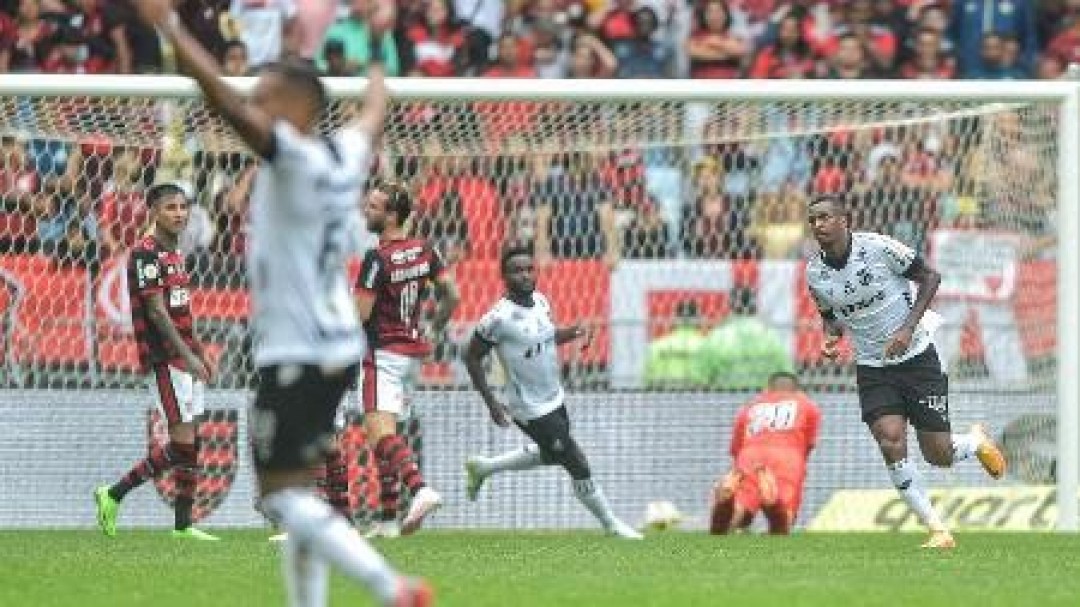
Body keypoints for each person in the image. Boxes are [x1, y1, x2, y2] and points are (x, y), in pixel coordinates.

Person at [134, 1, 432, 605]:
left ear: (299, 107)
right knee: (301, 490)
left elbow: (219, 98)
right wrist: (379, 46)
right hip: (338, 347)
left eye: (267, 94)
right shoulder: (348, 154)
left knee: (282, 498)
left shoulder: (291, 157)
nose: (257, 102)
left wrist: (168, 28)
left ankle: (389, 586)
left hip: (294, 350)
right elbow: (375, 109)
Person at [804, 195, 1006, 549]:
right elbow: (831, 318)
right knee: (890, 438)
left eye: (824, 217)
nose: (818, 225)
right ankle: (937, 529)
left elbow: (931, 277)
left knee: (938, 455)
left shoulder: (880, 249)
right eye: (813, 220)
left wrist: (907, 328)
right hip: (872, 366)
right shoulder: (815, 274)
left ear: (843, 220)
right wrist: (831, 339)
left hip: (917, 358)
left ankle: (974, 442)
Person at [462, 246, 642, 540]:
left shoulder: (542, 302)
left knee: (553, 452)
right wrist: (492, 403)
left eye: (529, 269)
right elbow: (471, 357)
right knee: (575, 460)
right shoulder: (498, 318)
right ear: (504, 277)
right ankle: (612, 525)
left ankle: (484, 467)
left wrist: (573, 332)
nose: (524, 275)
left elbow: (545, 338)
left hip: (554, 397)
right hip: (528, 407)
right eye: (516, 271)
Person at [94, 182, 219, 541]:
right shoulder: (145, 253)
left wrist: (201, 353)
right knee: (183, 443)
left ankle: (182, 526)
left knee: (190, 441)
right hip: (165, 358)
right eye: (170, 208)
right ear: (152, 211)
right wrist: (187, 356)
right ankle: (113, 494)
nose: (179, 213)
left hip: (186, 356)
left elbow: (182, 310)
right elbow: (157, 312)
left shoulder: (174, 251)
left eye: (183, 207)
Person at [351, 180, 459, 538]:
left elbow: (361, 316)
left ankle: (421, 489)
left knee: (379, 433)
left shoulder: (376, 259)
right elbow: (452, 295)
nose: (367, 211)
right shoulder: (426, 250)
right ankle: (386, 521)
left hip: (381, 353)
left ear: (392, 216)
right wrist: (434, 329)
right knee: (388, 435)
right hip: (412, 354)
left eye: (374, 208)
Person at [709, 372, 820, 535]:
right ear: (797, 390)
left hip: (751, 454)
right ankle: (774, 504)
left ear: (767, 389)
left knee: (741, 505)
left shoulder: (751, 406)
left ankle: (728, 504)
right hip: (788, 455)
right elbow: (808, 445)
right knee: (784, 517)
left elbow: (736, 448)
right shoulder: (808, 406)